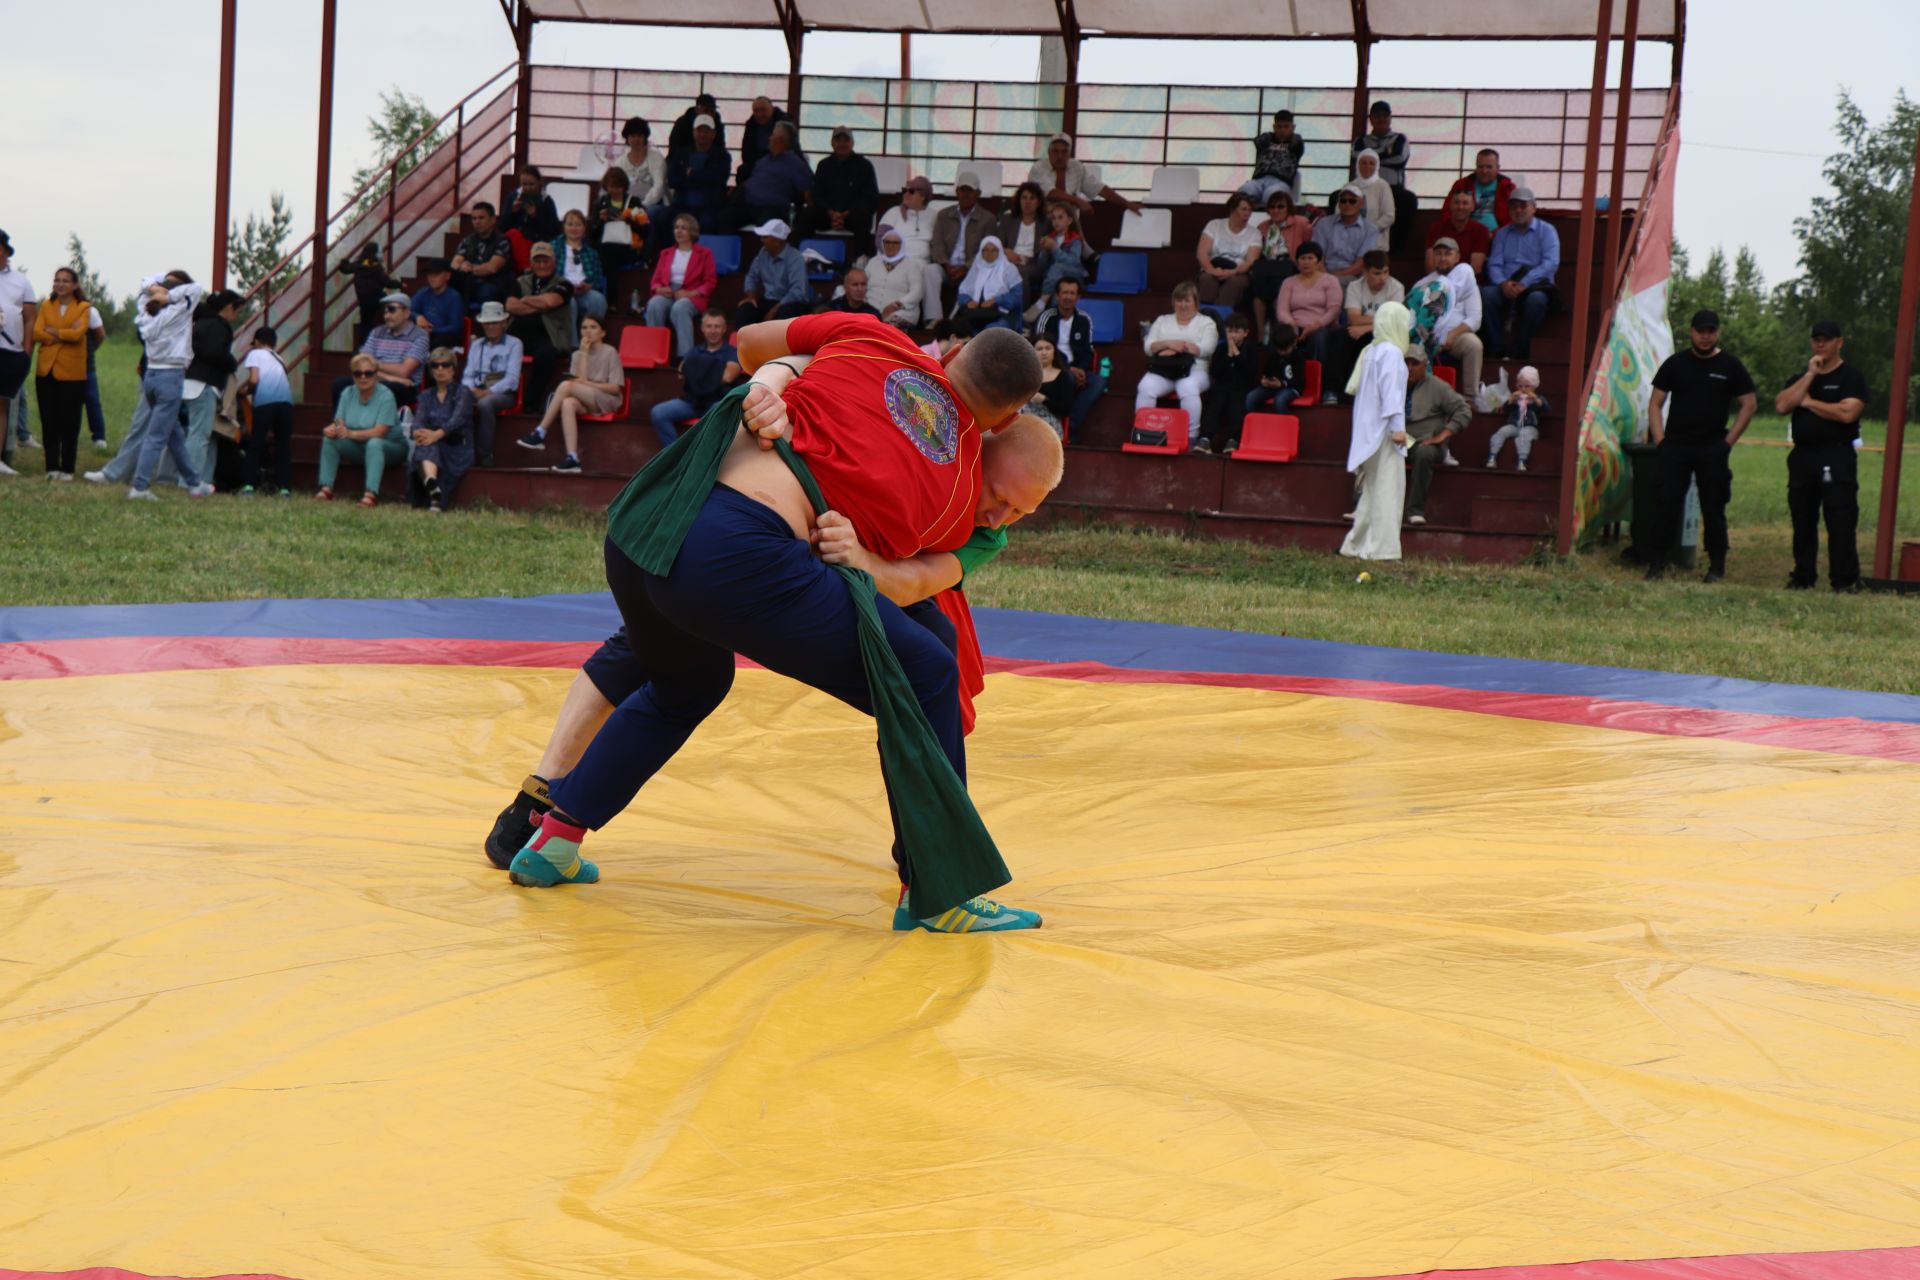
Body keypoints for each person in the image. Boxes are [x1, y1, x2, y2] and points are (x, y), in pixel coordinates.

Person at [504, 318, 1049, 937]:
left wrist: (773, 380)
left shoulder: (869, 335)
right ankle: (940, 890)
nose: (1000, 514)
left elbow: (754, 341)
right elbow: (910, 580)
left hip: (649, 515)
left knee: (687, 684)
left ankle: (554, 837)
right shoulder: (958, 487)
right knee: (927, 674)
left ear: (949, 351)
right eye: (1003, 504)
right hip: (733, 554)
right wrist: (870, 554)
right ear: (1001, 422)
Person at [1643, 309, 1758, 582]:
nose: (1705, 337)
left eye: (1710, 331)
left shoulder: (1731, 366)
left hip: (1713, 448)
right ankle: (1656, 564)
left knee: (1713, 507)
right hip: (1676, 447)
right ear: (1691, 332)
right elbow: (1655, 403)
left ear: (1717, 333)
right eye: (1700, 331)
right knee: (1665, 505)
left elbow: (1749, 404)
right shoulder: (1675, 364)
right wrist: (1660, 441)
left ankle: (1716, 567)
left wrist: (1727, 442)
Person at [1774, 319, 1867, 592]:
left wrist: (1810, 403)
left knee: (1840, 519)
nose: (1821, 344)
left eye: (1827, 339)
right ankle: (1803, 575)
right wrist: (1810, 377)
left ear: (1840, 342)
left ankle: (1844, 579)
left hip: (1837, 456)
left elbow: (1847, 413)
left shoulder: (1851, 377)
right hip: (1803, 457)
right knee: (1802, 518)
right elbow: (1782, 404)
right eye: (1816, 339)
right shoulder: (1803, 377)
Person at [1339, 302, 1412, 560]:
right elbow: (1390, 393)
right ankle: (1381, 548)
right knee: (1387, 489)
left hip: (1368, 430)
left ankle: (1356, 543)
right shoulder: (1391, 353)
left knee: (1371, 490)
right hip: (1384, 430)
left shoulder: (1371, 350)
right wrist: (1398, 429)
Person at [515, 312, 623, 473]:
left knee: (567, 386)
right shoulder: (577, 354)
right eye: (584, 328)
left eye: (593, 327)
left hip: (607, 399)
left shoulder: (610, 352)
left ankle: (540, 431)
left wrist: (587, 384)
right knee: (567, 403)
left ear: (603, 332)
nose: (588, 331)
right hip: (586, 399)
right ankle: (572, 458)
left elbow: (615, 388)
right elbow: (579, 380)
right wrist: (583, 354)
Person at [1480, 188, 1559, 361]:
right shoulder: (1502, 234)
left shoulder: (1547, 231)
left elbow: (1550, 263)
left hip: (1535, 285)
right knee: (1485, 295)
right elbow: (1494, 263)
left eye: (1523, 206)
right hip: (1506, 285)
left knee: (1537, 300)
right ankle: (1496, 347)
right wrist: (1503, 283)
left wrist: (1525, 282)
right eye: (1514, 207)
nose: (1518, 210)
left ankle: (1520, 350)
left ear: (1533, 207)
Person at [1135, 281, 1219, 441]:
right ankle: (1143, 434)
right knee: (1145, 386)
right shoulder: (1162, 320)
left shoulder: (1207, 322)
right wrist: (1167, 343)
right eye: (1179, 300)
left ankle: (1191, 437)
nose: (1183, 305)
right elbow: (1148, 347)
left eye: (1187, 300)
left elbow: (1207, 348)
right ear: (1173, 302)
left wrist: (1176, 347)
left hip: (1196, 370)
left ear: (1196, 302)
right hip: (1165, 369)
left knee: (1187, 387)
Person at [29, 266, 91, 480]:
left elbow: (78, 334)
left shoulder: (83, 307)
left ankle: (68, 468)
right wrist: (62, 334)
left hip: (72, 373)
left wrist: (55, 332)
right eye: (57, 280)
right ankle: (51, 466)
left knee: (70, 422)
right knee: (49, 421)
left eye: (65, 281)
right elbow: (37, 332)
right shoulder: (47, 305)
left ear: (74, 285)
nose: (60, 284)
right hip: (46, 371)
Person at [317, 352, 403, 505]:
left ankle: (370, 494)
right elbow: (339, 422)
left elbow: (380, 431)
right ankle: (326, 488)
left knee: (374, 442)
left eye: (368, 373)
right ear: (353, 376)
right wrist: (330, 429)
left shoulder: (386, 395)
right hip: (359, 447)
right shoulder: (347, 393)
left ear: (376, 375)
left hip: (391, 449)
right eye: (358, 373)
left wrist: (350, 433)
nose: (363, 377)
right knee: (330, 440)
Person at [177, 287, 243, 485]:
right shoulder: (219, 326)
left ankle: (202, 480)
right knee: (199, 436)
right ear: (229, 308)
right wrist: (232, 362)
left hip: (189, 383)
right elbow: (214, 353)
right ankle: (189, 482)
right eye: (237, 310)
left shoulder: (199, 323)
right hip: (204, 385)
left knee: (200, 434)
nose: (237, 315)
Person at [1402, 344, 1474, 525]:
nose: (1410, 368)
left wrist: (1443, 435)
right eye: (1406, 363)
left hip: (1425, 443)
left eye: (1415, 363)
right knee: (1371, 446)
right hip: (1400, 439)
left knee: (1424, 453)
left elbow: (1463, 410)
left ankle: (1415, 511)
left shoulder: (1437, 386)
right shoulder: (1394, 383)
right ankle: (1360, 506)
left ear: (1424, 365)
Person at [648, 308, 741, 446]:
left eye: (717, 326)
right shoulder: (694, 351)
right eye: (709, 326)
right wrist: (715, 369)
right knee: (658, 413)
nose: (713, 330)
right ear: (702, 328)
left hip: (716, 401)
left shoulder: (732, 352)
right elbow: (681, 372)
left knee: (718, 414)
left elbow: (728, 377)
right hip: (692, 401)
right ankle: (676, 456)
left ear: (724, 329)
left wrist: (697, 370)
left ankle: (702, 458)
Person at [506, 243, 576, 418]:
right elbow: (511, 305)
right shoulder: (520, 281)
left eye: (546, 261)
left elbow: (552, 301)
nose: (542, 265)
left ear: (553, 261)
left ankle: (530, 402)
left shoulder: (564, 283)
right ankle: (503, 396)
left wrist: (526, 299)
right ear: (531, 263)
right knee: (497, 346)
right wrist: (540, 303)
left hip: (548, 335)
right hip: (518, 332)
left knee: (546, 354)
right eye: (538, 261)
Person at [1411, 237, 1484, 401]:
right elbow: (1414, 317)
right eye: (1438, 253)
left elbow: (1475, 318)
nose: (1443, 258)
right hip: (1428, 336)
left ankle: (1471, 398)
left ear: (1457, 256)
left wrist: (1452, 335)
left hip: (1457, 336)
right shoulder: (1422, 285)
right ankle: (1416, 397)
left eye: (1448, 253)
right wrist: (1431, 338)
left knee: (1474, 344)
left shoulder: (1466, 279)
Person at [331, 291, 427, 412]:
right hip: (374, 379)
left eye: (392, 310)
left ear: (406, 313)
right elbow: (361, 365)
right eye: (385, 312)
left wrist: (374, 365)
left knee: (384, 388)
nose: (387, 316)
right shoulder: (377, 332)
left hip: (406, 387)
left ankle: (372, 427)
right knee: (339, 384)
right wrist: (389, 377)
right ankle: (339, 426)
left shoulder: (420, 336)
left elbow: (404, 372)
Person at [1031, 277, 1105, 427]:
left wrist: (1082, 370)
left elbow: (1087, 350)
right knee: (1068, 379)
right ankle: (1062, 423)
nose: (1068, 297)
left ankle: (1071, 424)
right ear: (1057, 296)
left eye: (1072, 293)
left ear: (1078, 297)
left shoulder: (1084, 319)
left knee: (1098, 382)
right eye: (1065, 293)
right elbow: (1038, 346)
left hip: (1076, 367)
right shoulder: (1046, 317)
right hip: (1051, 367)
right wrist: (1067, 369)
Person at [409, 346, 476, 512]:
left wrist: (436, 435)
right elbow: (418, 421)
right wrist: (417, 432)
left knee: (428, 445)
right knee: (425, 445)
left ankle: (433, 489)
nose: (440, 369)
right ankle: (433, 488)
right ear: (430, 370)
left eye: (445, 365)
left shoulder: (463, 392)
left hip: (457, 446)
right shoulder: (425, 395)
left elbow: (457, 420)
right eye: (435, 365)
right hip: (432, 443)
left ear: (453, 369)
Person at [1275, 242, 1343, 398]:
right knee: (1281, 336)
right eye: (1302, 258)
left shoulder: (1330, 281)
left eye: (1310, 258)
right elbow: (1282, 310)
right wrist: (1291, 325)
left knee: (1319, 337)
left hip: (1323, 326)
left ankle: (1320, 386)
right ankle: (1282, 383)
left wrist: (1315, 325)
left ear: (1318, 261)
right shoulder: (1289, 282)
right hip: (1295, 325)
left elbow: (1334, 309)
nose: (1306, 262)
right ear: (1297, 261)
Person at [1330, 249, 1404, 392]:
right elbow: (1354, 318)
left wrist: (1366, 328)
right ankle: (1335, 390)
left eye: (1386, 272)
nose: (1383, 278)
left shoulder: (1396, 287)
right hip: (1360, 330)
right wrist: (1381, 318)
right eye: (1377, 273)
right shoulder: (1355, 286)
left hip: (1385, 334)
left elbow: (1393, 321)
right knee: (1339, 338)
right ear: (1365, 271)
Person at [643, 213, 717, 355]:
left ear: (692, 232)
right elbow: (655, 281)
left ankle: (685, 356)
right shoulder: (666, 253)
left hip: (693, 295)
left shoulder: (705, 253)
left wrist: (689, 294)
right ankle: (654, 352)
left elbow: (710, 282)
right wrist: (660, 289)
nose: (678, 231)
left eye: (683, 228)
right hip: (669, 292)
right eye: (676, 227)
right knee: (654, 304)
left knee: (680, 307)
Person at [927, 172, 997, 321]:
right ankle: (933, 319)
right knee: (929, 271)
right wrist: (945, 264)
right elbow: (937, 243)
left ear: (978, 194)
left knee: (981, 273)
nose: (965, 195)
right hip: (946, 266)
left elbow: (985, 250)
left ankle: (956, 320)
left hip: (972, 268)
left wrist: (966, 267)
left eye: (970, 191)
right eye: (962, 190)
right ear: (957, 192)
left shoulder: (988, 219)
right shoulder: (944, 215)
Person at [801, 125, 879, 254]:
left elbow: (871, 198)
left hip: (852, 216)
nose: (842, 144)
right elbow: (817, 194)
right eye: (838, 140)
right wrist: (830, 213)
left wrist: (846, 213)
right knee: (805, 215)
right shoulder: (823, 165)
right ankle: (804, 257)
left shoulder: (864, 165)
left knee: (864, 216)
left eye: (846, 140)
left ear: (852, 143)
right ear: (832, 143)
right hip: (827, 215)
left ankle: (859, 261)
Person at [462, 301, 523, 466]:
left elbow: (512, 378)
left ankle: (485, 455)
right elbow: (468, 374)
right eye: (487, 323)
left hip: (502, 393)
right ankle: (461, 452)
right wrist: (471, 389)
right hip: (477, 388)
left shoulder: (514, 343)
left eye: (495, 322)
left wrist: (487, 392)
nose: (490, 326)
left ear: (504, 323)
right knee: (458, 398)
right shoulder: (476, 344)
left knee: (485, 404)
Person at [725, 121, 814, 232]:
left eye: (772, 135)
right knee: (725, 216)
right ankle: (731, 248)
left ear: (781, 140)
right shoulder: (763, 160)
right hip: (748, 205)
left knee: (769, 225)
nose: (769, 138)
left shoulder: (796, 164)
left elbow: (807, 191)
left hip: (772, 208)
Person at [237, 324, 293, 496]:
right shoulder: (279, 357)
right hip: (286, 404)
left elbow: (254, 379)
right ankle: (284, 489)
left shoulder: (255, 353)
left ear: (258, 341)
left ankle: (248, 486)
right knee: (283, 446)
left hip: (265, 403)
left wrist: (244, 392)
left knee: (256, 444)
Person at [1352, 100, 1415, 250]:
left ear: (1390, 118)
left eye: (1385, 116)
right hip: (1363, 188)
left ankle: (1396, 249)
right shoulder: (1361, 140)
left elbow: (1399, 158)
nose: (1381, 119)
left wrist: (1371, 157)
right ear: (1371, 119)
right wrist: (1386, 154)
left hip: (1393, 189)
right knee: (1338, 197)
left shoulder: (1400, 139)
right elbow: (1356, 156)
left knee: (1408, 200)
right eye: (1377, 116)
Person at [1027, 132, 1139, 213]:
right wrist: (1078, 201)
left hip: (1070, 226)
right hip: (1042, 223)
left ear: (1070, 153)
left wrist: (1127, 204)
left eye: (1064, 151)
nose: (1059, 156)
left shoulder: (1077, 167)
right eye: (1055, 151)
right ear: (1049, 152)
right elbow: (1052, 193)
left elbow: (1100, 189)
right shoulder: (1038, 168)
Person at [1197, 312, 1259, 454]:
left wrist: (1237, 355)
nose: (1232, 335)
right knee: (1215, 403)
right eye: (1230, 330)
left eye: (1237, 331)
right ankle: (1205, 438)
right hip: (1223, 385)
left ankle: (1233, 439)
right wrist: (1228, 357)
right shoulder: (1221, 348)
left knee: (1237, 404)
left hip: (1242, 386)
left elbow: (1250, 374)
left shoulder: (1251, 349)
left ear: (1246, 333)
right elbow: (1215, 371)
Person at [733, 220, 813, 329]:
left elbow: (798, 292)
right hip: (769, 301)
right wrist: (750, 295)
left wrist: (775, 309)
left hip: (791, 303)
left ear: (777, 241)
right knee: (745, 310)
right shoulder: (763, 253)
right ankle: (745, 345)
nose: (762, 240)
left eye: (765, 237)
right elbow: (752, 276)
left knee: (785, 313)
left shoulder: (795, 258)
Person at [0, 229, 35, 477]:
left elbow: (30, 319)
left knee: (1, 406)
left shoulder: (21, 282)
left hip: (10, 350)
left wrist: (27, 350)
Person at [1249, 190, 1305, 337]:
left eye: (1280, 206)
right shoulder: (1263, 227)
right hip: (1268, 268)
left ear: (1288, 208)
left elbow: (1309, 248)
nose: (1276, 210)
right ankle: (1261, 333)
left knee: (1279, 290)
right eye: (1272, 206)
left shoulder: (1301, 223)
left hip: (1290, 267)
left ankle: (1280, 333)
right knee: (1258, 291)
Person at [1195, 193, 1261, 310]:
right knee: (1207, 280)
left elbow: (1250, 261)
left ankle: (1221, 320)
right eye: (1243, 209)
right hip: (1213, 267)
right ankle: (1203, 316)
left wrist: (1232, 272)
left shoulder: (1254, 233)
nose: (1247, 214)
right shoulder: (1214, 225)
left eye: (1250, 210)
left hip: (1238, 272)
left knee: (1233, 284)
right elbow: (1202, 253)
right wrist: (1212, 270)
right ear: (1232, 209)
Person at [667, 113, 731, 224]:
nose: (703, 134)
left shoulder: (722, 156)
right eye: (699, 130)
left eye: (706, 131)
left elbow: (719, 180)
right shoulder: (680, 154)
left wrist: (691, 175)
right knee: (664, 217)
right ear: (693, 132)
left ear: (714, 134)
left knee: (707, 222)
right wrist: (703, 178)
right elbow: (672, 181)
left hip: (709, 206)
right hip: (682, 205)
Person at [616, 116, 671, 243]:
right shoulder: (620, 162)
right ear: (627, 138)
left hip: (654, 204)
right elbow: (615, 187)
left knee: (648, 215)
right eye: (632, 136)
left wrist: (642, 207)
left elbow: (659, 186)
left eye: (640, 136)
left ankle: (647, 256)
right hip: (628, 205)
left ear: (645, 137)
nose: (636, 139)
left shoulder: (656, 158)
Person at [1033, 200, 1094, 313]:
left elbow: (1073, 262)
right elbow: (1042, 266)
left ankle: (1042, 301)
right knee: (1059, 285)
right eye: (1054, 218)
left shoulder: (1075, 240)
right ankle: (1054, 317)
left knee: (1059, 268)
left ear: (1069, 220)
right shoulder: (1050, 238)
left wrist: (1055, 248)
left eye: (1060, 217)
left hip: (1075, 275)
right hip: (1055, 278)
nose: (1056, 221)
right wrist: (1044, 252)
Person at [952, 237, 1023, 333]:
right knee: (959, 329)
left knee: (991, 332)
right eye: (986, 250)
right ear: (981, 251)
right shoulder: (976, 267)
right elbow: (962, 292)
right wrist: (968, 301)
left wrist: (996, 300)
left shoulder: (1009, 269)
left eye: (994, 250)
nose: (989, 254)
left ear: (1000, 251)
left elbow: (1017, 297)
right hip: (976, 314)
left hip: (1002, 314)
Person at [557, 211, 608, 340]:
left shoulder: (592, 253)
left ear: (584, 228)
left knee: (598, 299)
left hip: (584, 291)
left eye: (578, 224)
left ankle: (592, 341)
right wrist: (566, 287)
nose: (574, 228)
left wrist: (588, 286)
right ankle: (573, 346)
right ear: (564, 227)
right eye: (570, 224)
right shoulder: (553, 247)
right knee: (570, 302)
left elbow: (597, 278)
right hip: (561, 290)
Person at [995, 181, 1049, 305]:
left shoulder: (1046, 222)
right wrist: (1006, 251)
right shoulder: (1007, 219)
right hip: (1009, 261)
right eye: (1024, 197)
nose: (1027, 202)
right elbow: (997, 243)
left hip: (1033, 264)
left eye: (1032, 198)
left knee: (1020, 272)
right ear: (1019, 200)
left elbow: (1048, 250)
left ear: (1038, 202)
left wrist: (1028, 259)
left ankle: (1021, 314)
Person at [450, 204, 513, 308]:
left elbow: (492, 268)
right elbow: (455, 264)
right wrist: (462, 266)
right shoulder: (468, 240)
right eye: (474, 218)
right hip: (469, 282)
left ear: (493, 220)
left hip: (494, 283)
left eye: (481, 218)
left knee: (486, 292)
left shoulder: (502, 241)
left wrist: (470, 268)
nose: (477, 222)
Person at [1487, 365, 1548, 471]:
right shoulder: (1515, 398)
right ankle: (1492, 456)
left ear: (1534, 386)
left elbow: (1546, 408)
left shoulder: (1538, 398)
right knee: (1502, 431)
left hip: (1530, 426)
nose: (1523, 389)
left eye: (1527, 386)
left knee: (1524, 435)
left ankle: (1522, 460)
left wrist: (1537, 400)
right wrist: (1510, 400)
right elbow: (1506, 409)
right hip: (1514, 425)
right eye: (1520, 386)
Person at [593, 167, 649, 282]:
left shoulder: (634, 202)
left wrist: (627, 220)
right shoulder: (601, 203)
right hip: (605, 246)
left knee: (608, 254)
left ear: (624, 186)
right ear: (606, 187)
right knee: (606, 252)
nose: (615, 190)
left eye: (619, 187)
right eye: (612, 187)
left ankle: (609, 293)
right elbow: (592, 233)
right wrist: (602, 220)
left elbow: (646, 230)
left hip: (629, 246)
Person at [863, 226, 925, 329]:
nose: (891, 246)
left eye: (895, 243)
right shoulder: (873, 262)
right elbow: (863, 283)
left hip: (901, 312)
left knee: (887, 326)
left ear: (902, 245)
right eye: (887, 242)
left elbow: (917, 292)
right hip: (872, 310)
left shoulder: (911, 265)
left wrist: (895, 306)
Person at [1311, 186, 1379, 279]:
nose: (1347, 204)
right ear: (1339, 204)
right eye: (1343, 201)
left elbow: (1362, 263)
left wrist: (1335, 278)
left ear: (1361, 204)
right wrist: (1325, 277)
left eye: (1352, 201)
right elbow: (1317, 256)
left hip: (1352, 276)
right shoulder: (1323, 224)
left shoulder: (1370, 229)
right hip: (1322, 273)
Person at [338, 241, 397, 347]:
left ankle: (364, 345)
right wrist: (400, 284)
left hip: (364, 301)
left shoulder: (359, 265)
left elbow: (345, 269)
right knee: (390, 310)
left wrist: (344, 261)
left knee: (365, 323)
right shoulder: (377, 268)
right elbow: (387, 282)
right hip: (378, 298)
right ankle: (390, 338)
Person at [1239, 110, 1306, 203]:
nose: (1282, 130)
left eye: (1286, 127)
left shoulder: (1295, 145)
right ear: (1274, 127)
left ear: (1293, 128)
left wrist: (1290, 136)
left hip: (1281, 182)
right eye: (1279, 126)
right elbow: (1257, 141)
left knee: (1272, 194)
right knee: (1245, 190)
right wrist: (1271, 136)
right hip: (1259, 179)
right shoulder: (1267, 140)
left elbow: (1297, 141)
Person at [1425, 189, 1492, 278]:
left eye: (1465, 203)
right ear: (1450, 205)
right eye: (1456, 202)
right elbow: (1430, 265)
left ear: (1472, 207)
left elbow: (1475, 268)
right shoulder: (1436, 228)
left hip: (1467, 282)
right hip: (1438, 280)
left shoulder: (1481, 231)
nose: (1460, 207)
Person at [1244, 322, 1307, 418]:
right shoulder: (1274, 355)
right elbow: (1267, 371)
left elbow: (1299, 381)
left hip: (1292, 388)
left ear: (1293, 343)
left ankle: (1285, 428)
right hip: (1273, 387)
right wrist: (1265, 380)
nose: (1281, 353)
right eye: (1279, 349)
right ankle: (1252, 426)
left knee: (1280, 400)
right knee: (1250, 397)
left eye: (1285, 350)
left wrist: (1282, 384)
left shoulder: (1298, 357)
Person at [1449, 149, 1517, 232]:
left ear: (1498, 168)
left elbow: (1515, 217)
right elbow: (1448, 211)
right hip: (1465, 233)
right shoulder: (1461, 184)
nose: (1484, 171)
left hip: (1499, 235)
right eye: (1480, 167)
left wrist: (1498, 235)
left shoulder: (1508, 187)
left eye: (1489, 167)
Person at [877, 175, 937, 269]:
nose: (906, 194)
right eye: (905, 191)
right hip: (893, 261)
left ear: (923, 196)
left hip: (921, 265)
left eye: (911, 191)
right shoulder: (893, 212)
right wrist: (896, 259)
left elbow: (939, 243)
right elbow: (880, 239)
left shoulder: (934, 216)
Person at [1025, 335, 1076, 433]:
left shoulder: (1063, 377)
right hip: (1024, 420)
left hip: (1049, 423)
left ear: (1054, 352)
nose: (1044, 352)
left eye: (1048, 348)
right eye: (1039, 349)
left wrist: (1044, 400)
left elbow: (1066, 409)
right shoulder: (1024, 375)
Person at [735, 95, 791, 185]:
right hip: (757, 162)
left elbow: (790, 149)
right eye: (756, 111)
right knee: (742, 171)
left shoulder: (784, 123)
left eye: (763, 110)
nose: (759, 114)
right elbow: (746, 154)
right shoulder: (751, 125)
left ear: (772, 109)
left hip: (780, 161)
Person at [502, 166, 562, 247]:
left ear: (539, 182)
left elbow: (554, 230)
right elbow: (503, 226)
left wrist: (535, 216)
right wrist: (513, 212)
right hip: (515, 239)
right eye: (524, 184)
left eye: (531, 184)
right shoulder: (513, 197)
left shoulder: (546, 200)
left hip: (538, 240)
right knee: (513, 235)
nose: (528, 188)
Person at [411, 258, 466, 340]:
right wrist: (417, 317)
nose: (432, 278)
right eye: (429, 274)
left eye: (436, 274)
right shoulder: (422, 293)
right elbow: (406, 310)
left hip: (442, 338)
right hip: (422, 335)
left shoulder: (454, 297)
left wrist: (432, 330)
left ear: (447, 276)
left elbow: (455, 328)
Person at [1350, 150, 1396, 237]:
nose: (1367, 166)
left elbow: (1389, 216)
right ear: (1357, 165)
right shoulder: (1350, 187)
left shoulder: (1383, 186)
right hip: (1351, 238)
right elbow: (1339, 212)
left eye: (1371, 163)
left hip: (1376, 241)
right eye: (1363, 163)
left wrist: (1369, 229)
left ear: (1377, 166)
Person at [667, 93, 725, 158]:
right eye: (706, 111)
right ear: (697, 109)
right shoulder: (683, 123)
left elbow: (721, 149)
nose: (709, 114)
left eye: (712, 111)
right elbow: (674, 149)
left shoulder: (717, 124)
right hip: (683, 160)